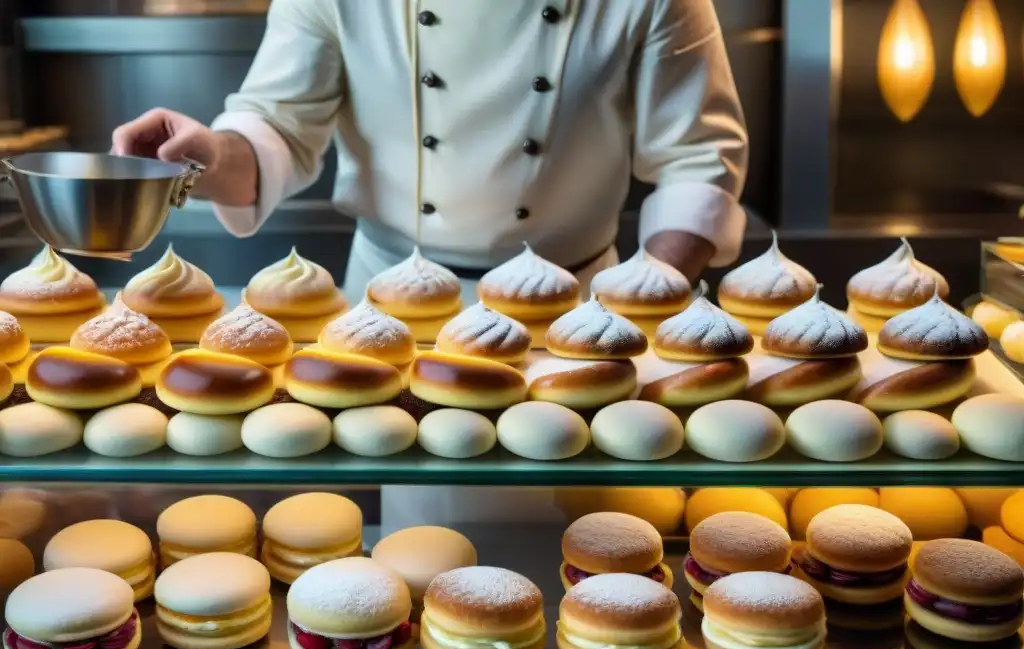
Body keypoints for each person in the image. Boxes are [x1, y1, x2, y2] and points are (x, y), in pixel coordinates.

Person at [112, 0, 749, 535]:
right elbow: (274, 128)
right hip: (391, 322)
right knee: (421, 544)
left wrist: (649, 295)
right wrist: (206, 156)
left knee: (595, 535)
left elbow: (698, 159)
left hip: (575, 322)